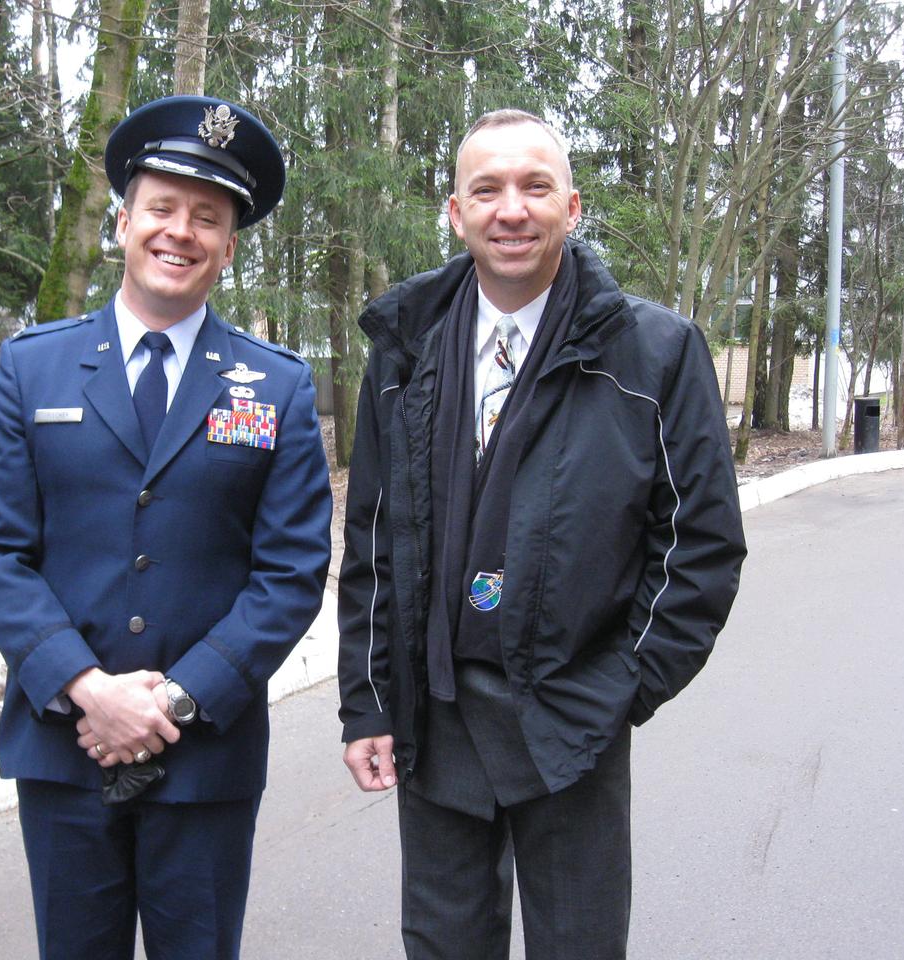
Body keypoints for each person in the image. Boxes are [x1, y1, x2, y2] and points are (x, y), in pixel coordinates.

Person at [336, 108, 746, 959]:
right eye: (486, 189)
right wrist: (369, 702)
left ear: (573, 205)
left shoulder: (655, 352)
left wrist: (620, 688)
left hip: (569, 724)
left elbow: (699, 549)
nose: (511, 209)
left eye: (535, 187)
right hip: (435, 718)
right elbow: (373, 543)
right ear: (455, 212)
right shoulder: (404, 349)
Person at [0, 95, 332, 960]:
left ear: (229, 247)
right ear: (124, 222)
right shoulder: (33, 366)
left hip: (204, 757)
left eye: (209, 218)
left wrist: (167, 701)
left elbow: (290, 574)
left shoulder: (274, 388)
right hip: (65, 746)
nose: (182, 232)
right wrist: (90, 689)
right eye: (163, 209)